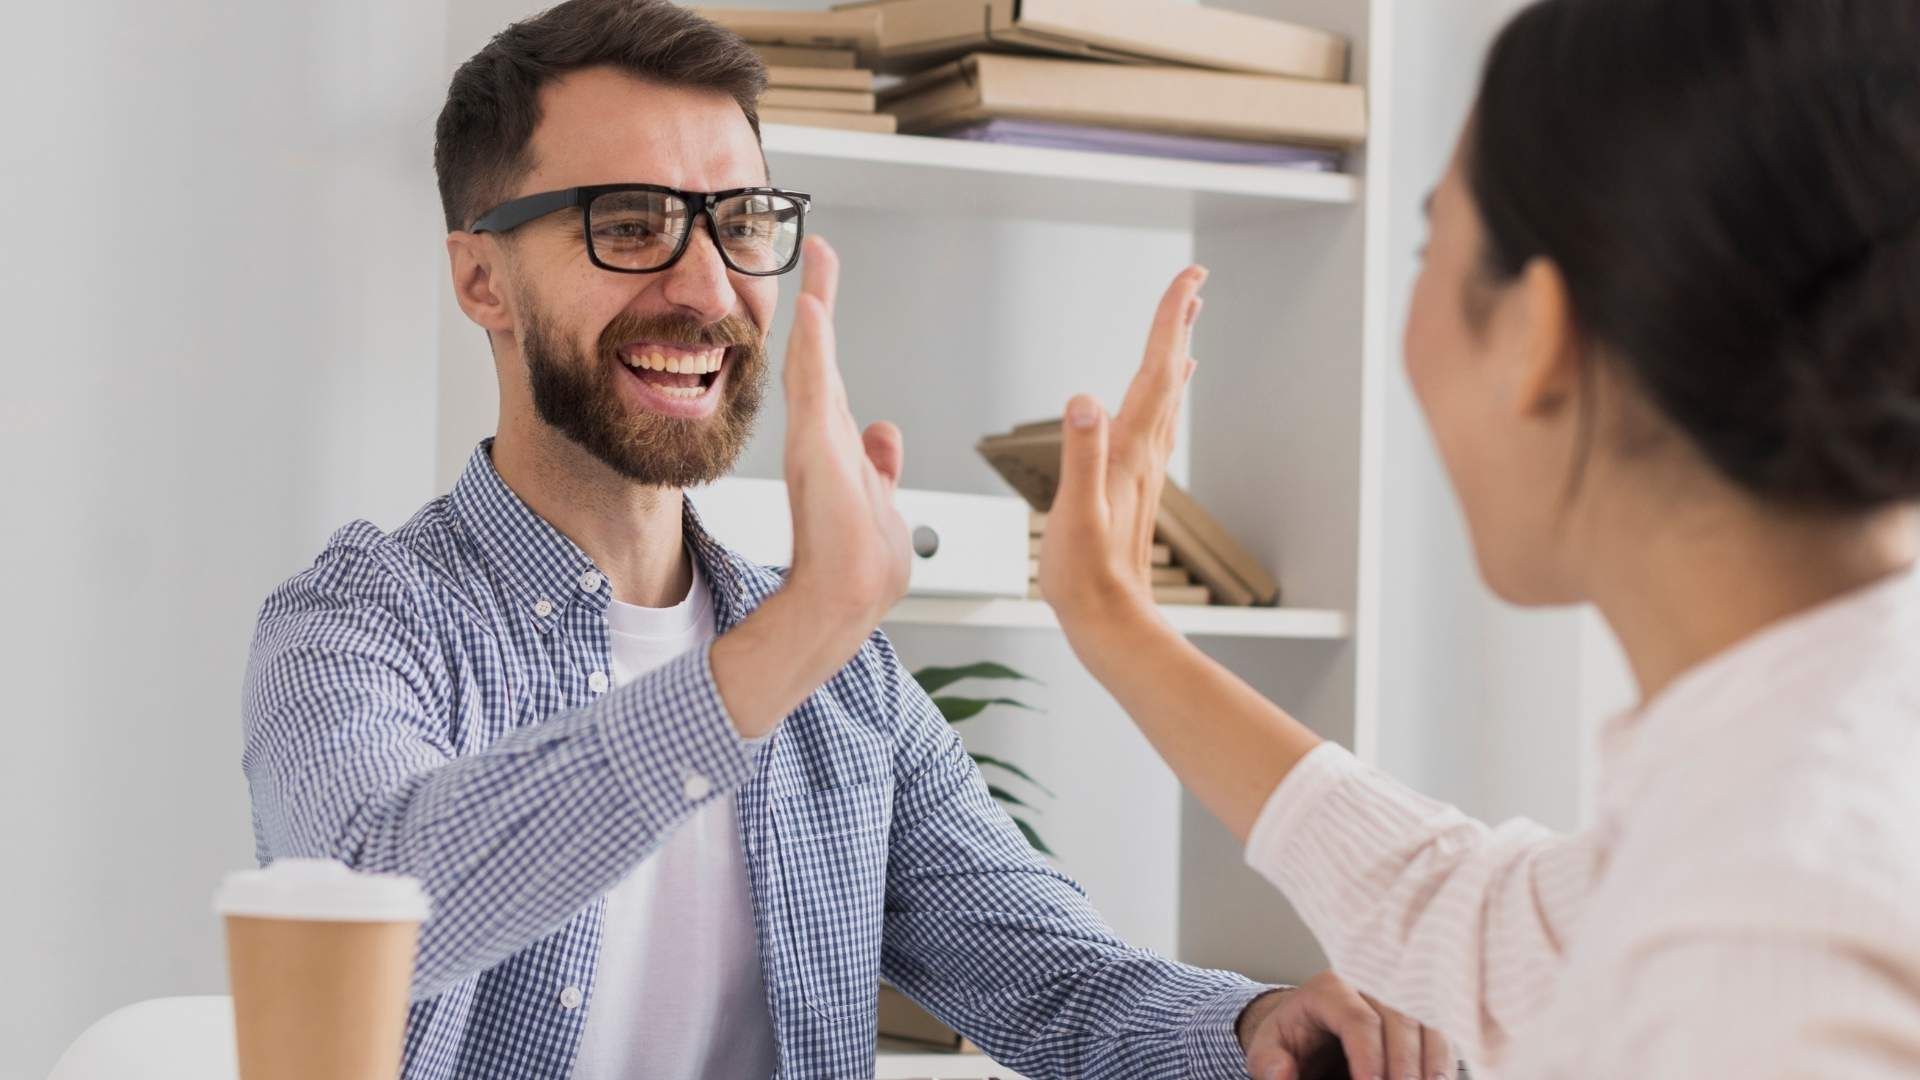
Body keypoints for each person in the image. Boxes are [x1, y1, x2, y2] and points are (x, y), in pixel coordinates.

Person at [240, 1, 1451, 1077]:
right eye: (629, 222)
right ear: (481, 280)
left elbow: (1052, 981)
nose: (707, 289)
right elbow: (374, 903)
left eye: (740, 221)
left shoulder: (845, 685)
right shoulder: (362, 621)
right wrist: (793, 640)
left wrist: (1249, 1030)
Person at [1035, 0, 1920, 1075]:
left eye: (1428, 242)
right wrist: (1119, 627)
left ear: (1538, 334)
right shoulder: (1795, 773)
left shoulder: (1761, 940)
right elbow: (1481, 922)